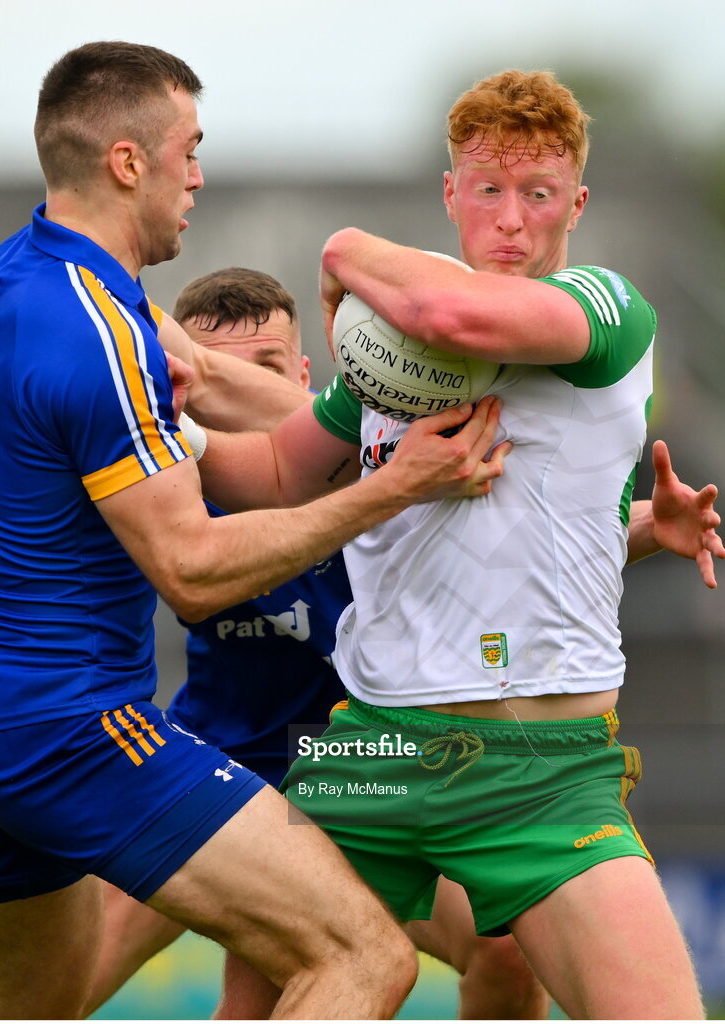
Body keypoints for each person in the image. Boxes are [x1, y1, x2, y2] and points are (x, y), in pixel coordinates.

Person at [0, 41, 510, 1021]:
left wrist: (381, 407)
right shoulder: (101, 334)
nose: (197, 174)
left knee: (28, 1009)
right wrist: (393, 487)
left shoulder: (24, 280)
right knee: (362, 959)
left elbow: (263, 466)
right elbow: (191, 569)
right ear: (125, 162)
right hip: (73, 733)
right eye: (187, 148)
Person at [278, 70, 725, 1020]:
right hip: (377, 743)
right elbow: (274, 476)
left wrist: (342, 248)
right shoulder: (385, 354)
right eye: (487, 190)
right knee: (263, 1000)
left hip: (542, 770)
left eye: (538, 194)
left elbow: (455, 314)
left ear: (577, 204)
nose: (512, 221)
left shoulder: (605, 307)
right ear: (451, 196)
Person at [86, 267, 550, 1020]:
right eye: (214, 371)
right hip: (209, 756)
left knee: (504, 946)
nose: (233, 389)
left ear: (303, 376)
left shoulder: (386, 465)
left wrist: (637, 532)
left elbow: (513, 549)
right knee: (50, 987)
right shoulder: (161, 483)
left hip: (346, 761)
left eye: (261, 368)